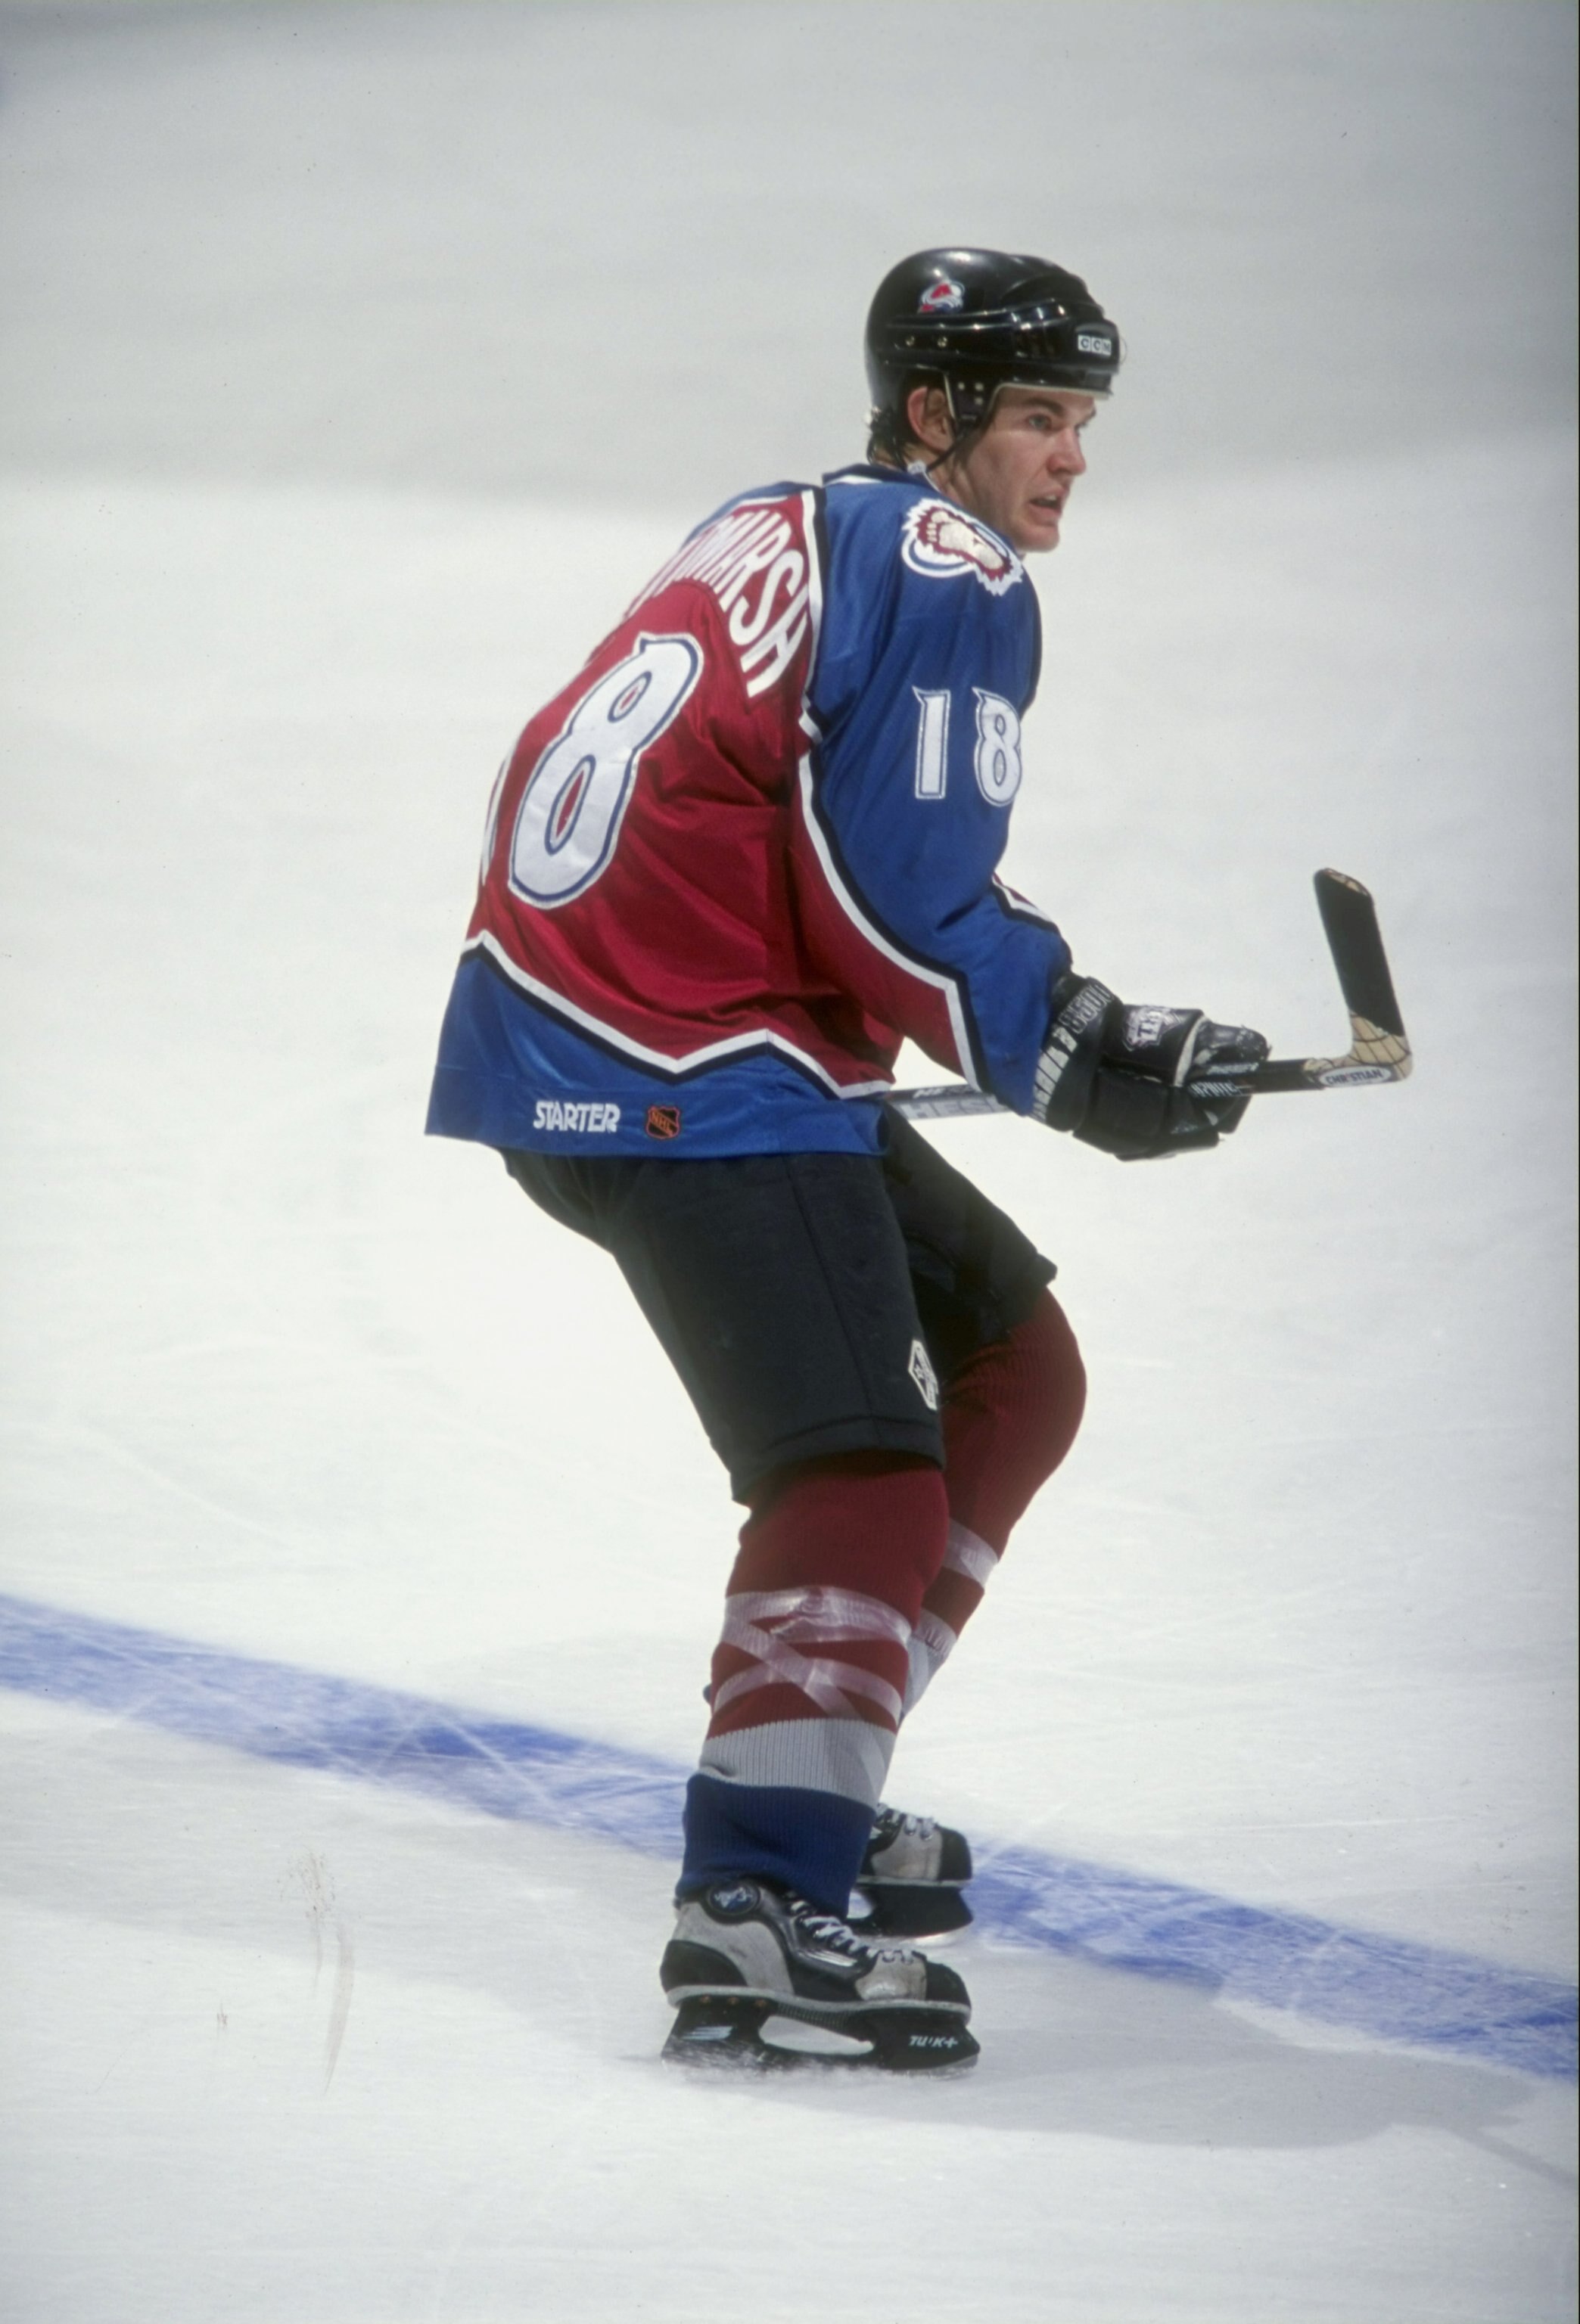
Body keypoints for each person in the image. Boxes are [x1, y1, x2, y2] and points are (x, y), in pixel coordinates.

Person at [426, 248, 1267, 2073]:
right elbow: (890, 886)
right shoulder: (947, 565)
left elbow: (781, 821)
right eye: (1042, 415)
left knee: (1010, 1370)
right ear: (934, 414)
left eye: (1085, 421)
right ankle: (758, 1893)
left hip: (598, 1026)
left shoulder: (780, 521)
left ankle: (820, 1767)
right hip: (687, 1061)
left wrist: (1064, 1019)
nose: (1071, 458)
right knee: (867, 1467)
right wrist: (1079, 1044)